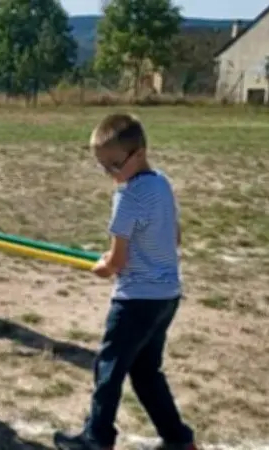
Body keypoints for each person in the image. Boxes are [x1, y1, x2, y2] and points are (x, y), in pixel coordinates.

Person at [53, 113, 197, 450]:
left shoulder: (128, 197)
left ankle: (97, 439)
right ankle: (178, 439)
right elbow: (175, 236)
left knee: (109, 370)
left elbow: (117, 262)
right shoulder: (161, 183)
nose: (110, 175)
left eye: (114, 165)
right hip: (166, 297)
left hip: (135, 301)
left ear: (140, 152)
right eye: (103, 167)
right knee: (146, 373)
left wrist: (103, 267)